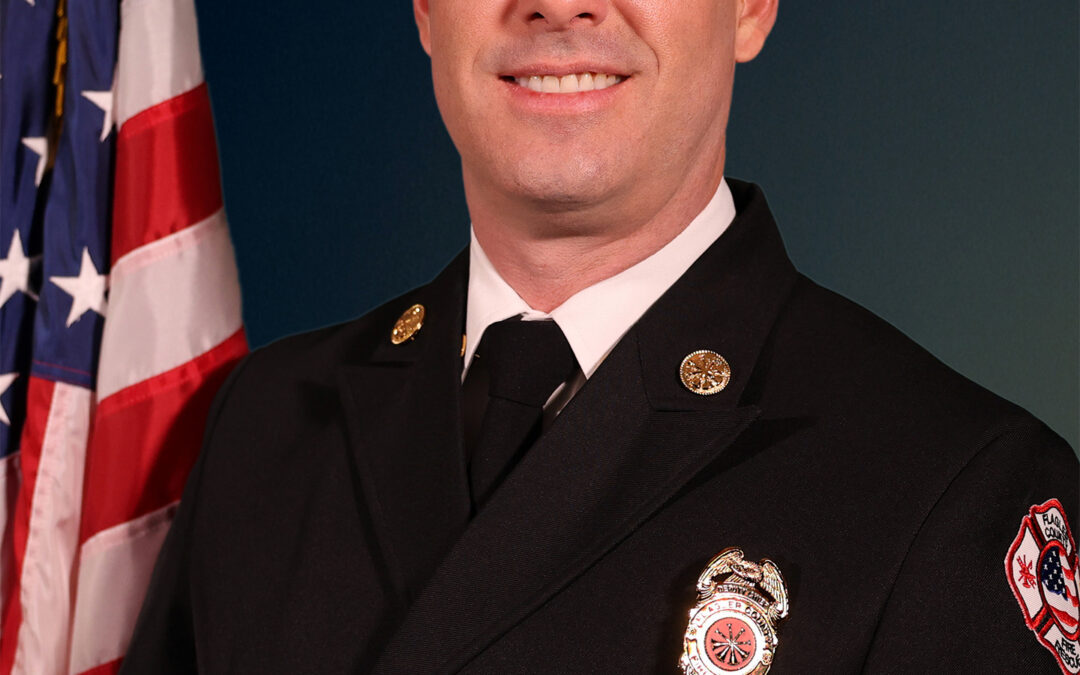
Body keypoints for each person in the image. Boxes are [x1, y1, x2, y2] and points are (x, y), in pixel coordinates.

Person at [122, 0, 1079, 673]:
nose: (557, 6)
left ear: (751, 7)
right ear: (425, 10)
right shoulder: (267, 423)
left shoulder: (956, 493)